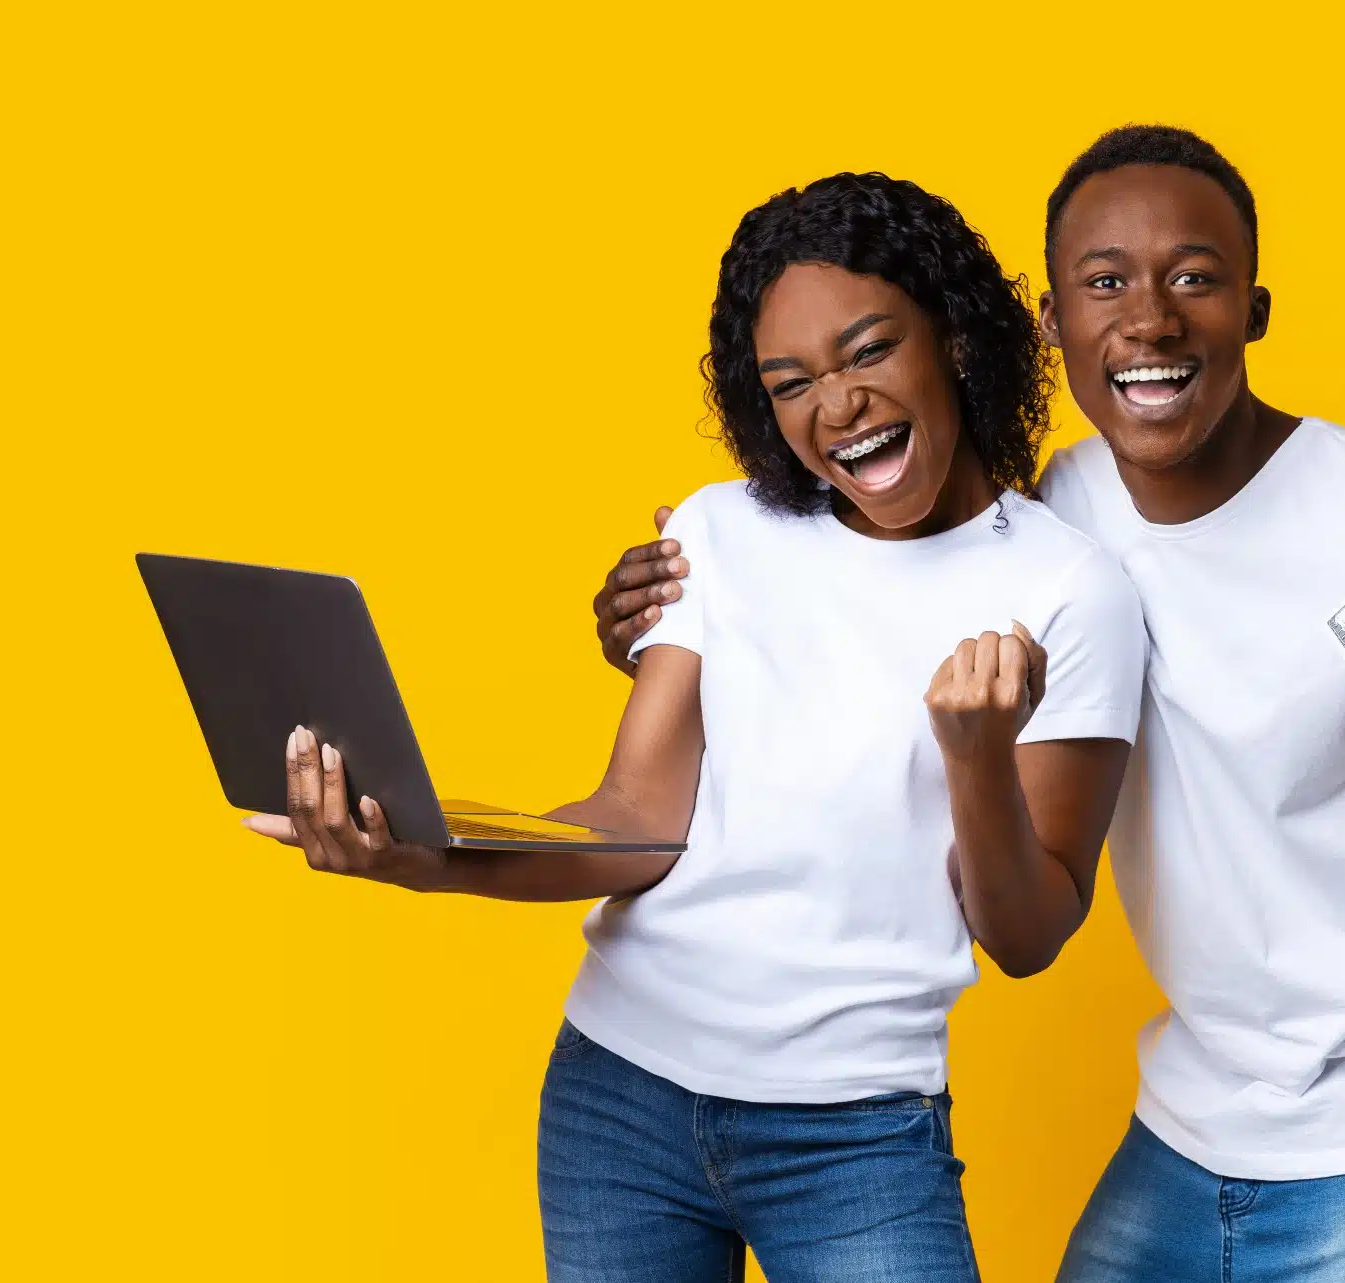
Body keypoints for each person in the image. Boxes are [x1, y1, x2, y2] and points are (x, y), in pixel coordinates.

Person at [595, 127, 1345, 1283]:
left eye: (1194, 278)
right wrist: (665, 620)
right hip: (1194, 1116)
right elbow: (866, 594)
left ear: (1255, 308)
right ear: (1051, 325)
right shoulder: (1056, 515)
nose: (1151, 319)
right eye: (1107, 282)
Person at [245, 172, 1147, 1283]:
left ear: (952, 337)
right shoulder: (724, 530)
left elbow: (1027, 934)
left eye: (869, 352)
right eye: (791, 383)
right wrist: (415, 855)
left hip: (852, 1134)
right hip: (618, 1098)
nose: (838, 406)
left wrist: (974, 758)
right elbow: (635, 818)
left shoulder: (1069, 588)